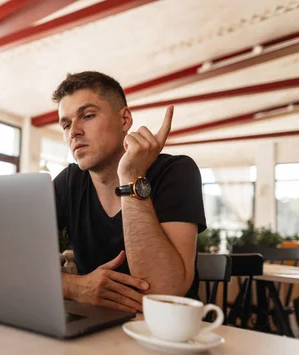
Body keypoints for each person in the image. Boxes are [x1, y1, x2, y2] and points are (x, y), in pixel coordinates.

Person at [52, 71, 206, 313]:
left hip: (167, 334)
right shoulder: (68, 182)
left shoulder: (176, 171)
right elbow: (11, 261)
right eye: (67, 124)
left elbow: (163, 292)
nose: (74, 132)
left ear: (124, 120)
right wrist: (75, 286)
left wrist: (131, 176)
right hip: (95, 332)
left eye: (88, 116)